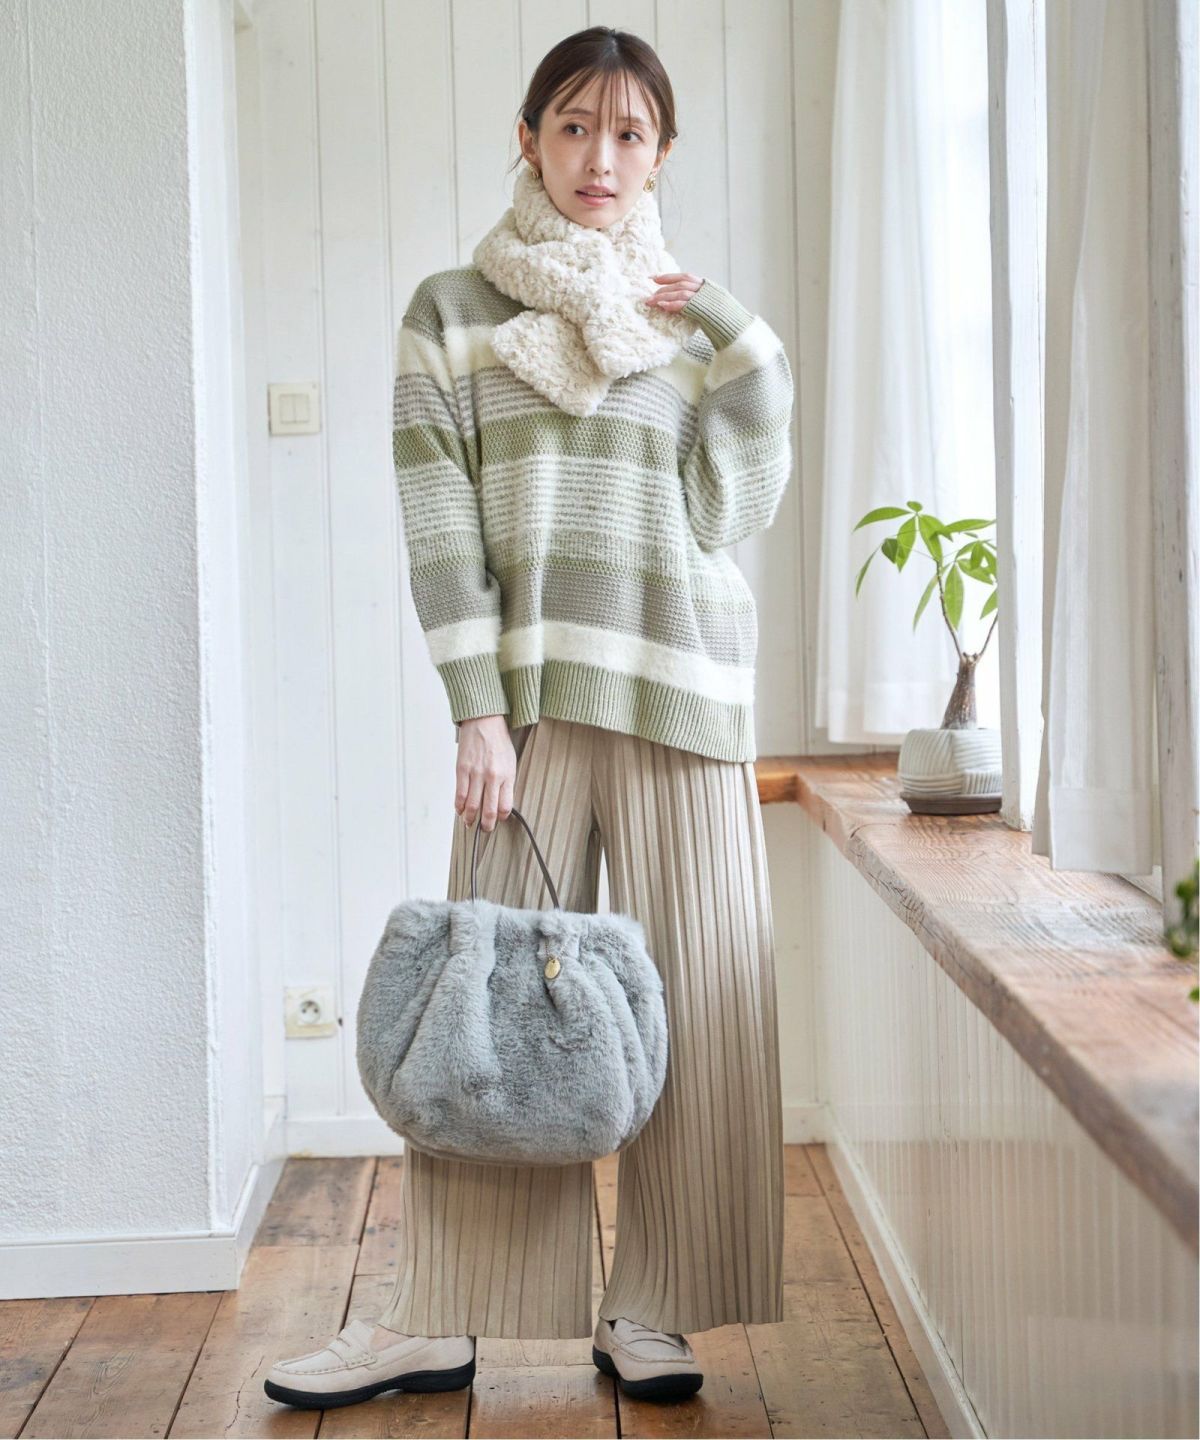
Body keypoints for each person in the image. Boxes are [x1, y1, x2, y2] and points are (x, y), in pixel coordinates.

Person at [265, 23, 794, 1412]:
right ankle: (446, 1313)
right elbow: (440, 525)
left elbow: (733, 508)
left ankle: (657, 1304)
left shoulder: (682, 323)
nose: (599, 157)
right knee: (485, 1015)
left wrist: (735, 333)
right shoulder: (451, 312)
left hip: (684, 692)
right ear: (528, 137)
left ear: (660, 155)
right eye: (573, 125)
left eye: (629, 133)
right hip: (529, 710)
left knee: (708, 1006)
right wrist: (476, 712)